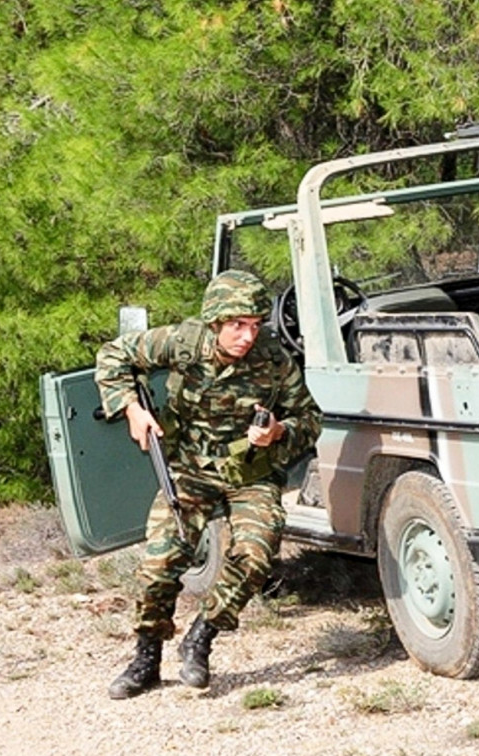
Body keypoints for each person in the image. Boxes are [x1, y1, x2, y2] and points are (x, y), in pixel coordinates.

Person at [94, 269, 322, 698]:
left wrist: (278, 432)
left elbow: (310, 419)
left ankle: (202, 637)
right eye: (237, 325)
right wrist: (130, 409)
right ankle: (146, 658)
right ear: (215, 322)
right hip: (191, 466)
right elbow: (114, 355)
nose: (247, 336)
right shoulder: (183, 341)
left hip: (250, 472)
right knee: (160, 563)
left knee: (255, 554)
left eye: (254, 325)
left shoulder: (274, 360)